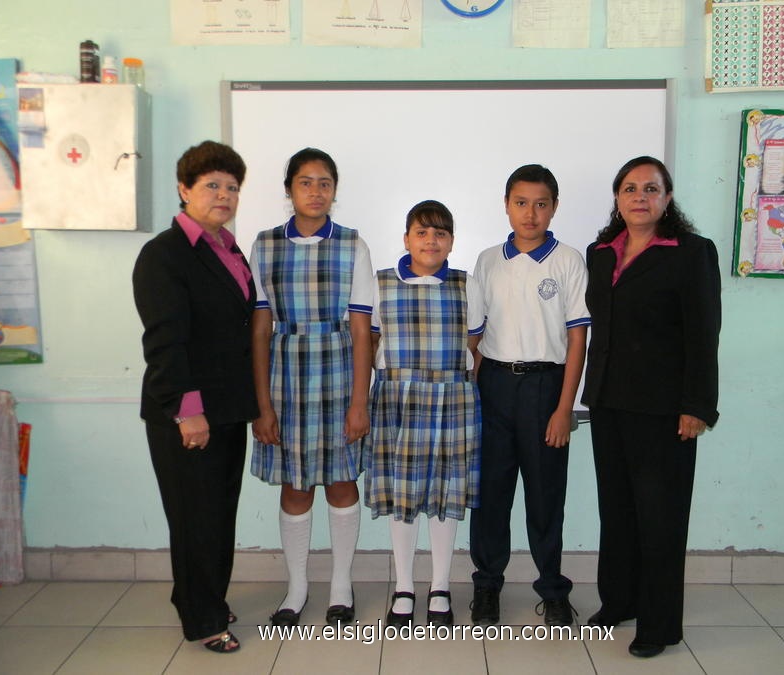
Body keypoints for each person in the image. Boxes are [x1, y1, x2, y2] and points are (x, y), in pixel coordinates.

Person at [581, 156, 721, 659]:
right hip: (609, 403)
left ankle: (660, 625)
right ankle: (619, 601)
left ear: (667, 198)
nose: (640, 197)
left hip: (665, 410)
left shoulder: (691, 252)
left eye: (651, 188)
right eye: (630, 188)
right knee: (617, 511)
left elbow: (705, 335)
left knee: (661, 517)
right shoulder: (600, 253)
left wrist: (698, 405)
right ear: (617, 198)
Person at [133, 140, 258, 654]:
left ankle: (203, 596)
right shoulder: (164, 254)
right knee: (194, 517)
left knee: (217, 513)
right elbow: (165, 341)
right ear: (184, 189)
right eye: (212, 185)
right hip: (188, 414)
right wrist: (189, 412)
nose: (224, 195)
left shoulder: (229, 248)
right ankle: (203, 620)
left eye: (232, 187)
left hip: (228, 409)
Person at [250, 148, 373, 628]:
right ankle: (297, 588)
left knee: (342, 482)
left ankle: (341, 586)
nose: (316, 191)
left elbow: (363, 330)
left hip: (340, 375)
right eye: (306, 182)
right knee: (296, 486)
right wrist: (263, 405)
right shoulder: (265, 245)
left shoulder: (352, 245)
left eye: (325, 183)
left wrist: (359, 402)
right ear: (289, 189)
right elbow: (259, 330)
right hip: (285, 377)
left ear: (335, 190)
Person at [469, 165, 589, 627]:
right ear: (506, 205)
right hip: (494, 386)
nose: (531, 213)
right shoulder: (487, 261)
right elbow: (476, 339)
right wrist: (472, 399)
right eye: (521, 202)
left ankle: (553, 588)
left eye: (541, 203)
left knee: (545, 496)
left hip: (545, 388)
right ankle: (487, 585)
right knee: (491, 493)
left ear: (554, 207)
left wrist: (564, 408)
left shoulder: (568, 260)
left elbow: (577, 339)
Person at [364, 200, 485, 627]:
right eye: (421, 232)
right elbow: (369, 340)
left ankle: (439, 586)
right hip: (397, 399)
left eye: (440, 233)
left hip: (451, 399)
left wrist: (452, 381)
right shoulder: (380, 283)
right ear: (406, 238)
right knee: (403, 495)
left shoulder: (466, 284)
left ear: (451, 240)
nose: (430, 240)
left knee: (444, 496)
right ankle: (402, 587)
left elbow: (475, 344)